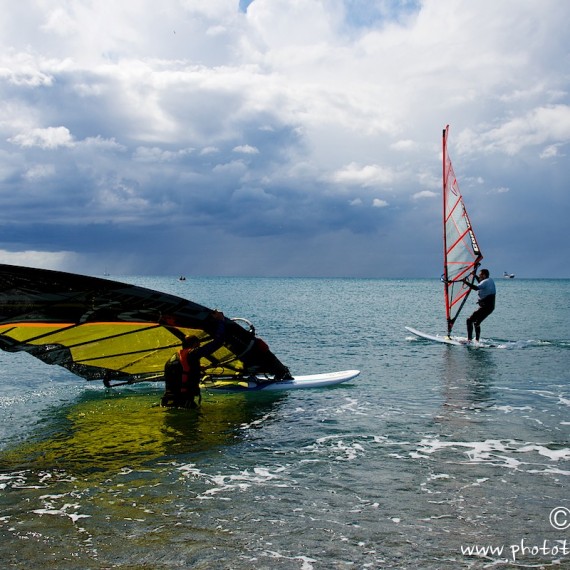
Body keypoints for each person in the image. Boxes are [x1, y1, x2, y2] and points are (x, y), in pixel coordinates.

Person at [161, 310, 225, 409]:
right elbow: (218, 342)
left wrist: (196, 368)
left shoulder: (174, 358)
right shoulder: (193, 353)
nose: (199, 348)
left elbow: (180, 373)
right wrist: (221, 321)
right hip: (184, 402)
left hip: (167, 402)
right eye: (198, 345)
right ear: (194, 345)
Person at [462, 269, 496, 342]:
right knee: (476, 323)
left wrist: (465, 282)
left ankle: (469, 340)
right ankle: (477, 341)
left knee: (469, 320)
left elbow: (476, 288)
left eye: (480, 275)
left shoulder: (485, 282)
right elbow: (481, 283)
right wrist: (475, 275)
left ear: (484, 275)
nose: (479, 276)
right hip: (490, 307)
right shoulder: (490, 280)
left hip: (485, 307)